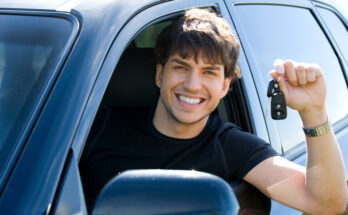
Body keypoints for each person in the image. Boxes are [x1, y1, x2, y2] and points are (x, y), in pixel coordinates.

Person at [79, 8, 348, 214]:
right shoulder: (95, 128)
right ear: (160, 74)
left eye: (209, 72)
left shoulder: (232, 147)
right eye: (181, 67)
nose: (192, 85)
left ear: (225, 86)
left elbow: (325, 205)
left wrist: (313, 111)